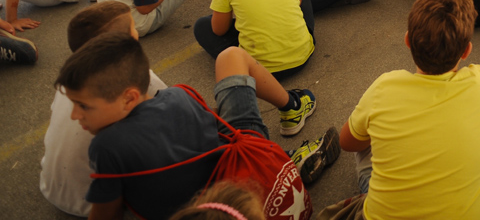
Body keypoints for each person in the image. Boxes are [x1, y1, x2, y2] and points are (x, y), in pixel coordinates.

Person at [56, 32, 320, 220]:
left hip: (213, 210)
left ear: (129, 98)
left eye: (83, 106)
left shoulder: (106, 146)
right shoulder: (179, 94)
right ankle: (291, 118)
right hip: (246, 174)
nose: (75, 116)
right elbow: (222, 134)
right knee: (231, 56)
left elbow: (106, 214)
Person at [331, 0, 480, 220]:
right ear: (466, 50)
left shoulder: (383, 88)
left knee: (366, 130)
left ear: (408, 40)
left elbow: (347, 142)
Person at [40, 2, 168, 217]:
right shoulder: (137, 78)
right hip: (95, 204)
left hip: (51, 187)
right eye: (133, 27)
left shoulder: (70, 78)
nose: (136, 31)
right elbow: (169, 107)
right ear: (123, 42)